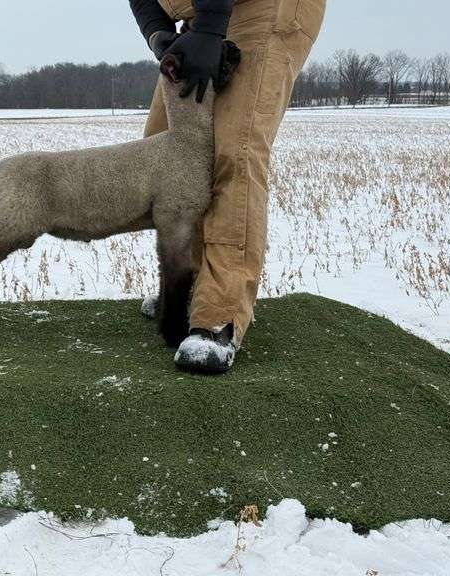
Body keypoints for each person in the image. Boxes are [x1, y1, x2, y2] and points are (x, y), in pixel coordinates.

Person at [130, 0, 326, 374]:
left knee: (234, 149)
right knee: (167, 147)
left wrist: (209, 28)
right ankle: (188, 282)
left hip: (265, 7)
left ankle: (217, 316)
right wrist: (159, 35)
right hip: (200, 11)